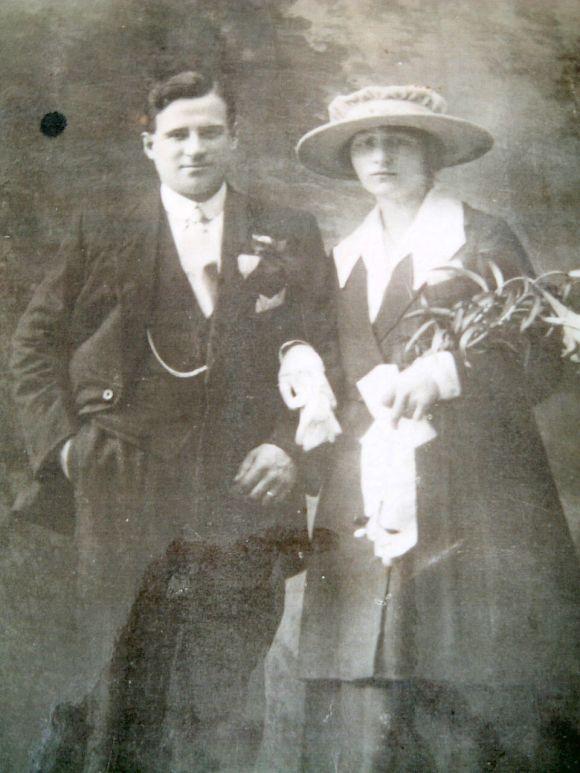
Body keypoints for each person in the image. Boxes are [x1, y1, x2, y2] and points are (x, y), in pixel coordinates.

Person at [10, 69, 337, 770]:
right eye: (178, 135)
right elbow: (33, 346)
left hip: (245, 489)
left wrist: (289, 450)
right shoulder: (104, 230)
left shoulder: (289, 233)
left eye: (210, 132)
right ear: (148, 146)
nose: (195, 148)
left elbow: (326, 355)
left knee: (223, 687)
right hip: (122, 484)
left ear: (235, 139)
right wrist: (66, 447)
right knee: (116, 684)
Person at [292, 85, 580, 770]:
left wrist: (446, 373)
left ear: (432, 154)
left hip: (472, 495)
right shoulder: (342, 258)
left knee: (467, 687)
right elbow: (326, 364)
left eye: (399, 140)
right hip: (364, 493)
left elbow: (538, 361)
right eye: (366, 142)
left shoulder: (481, 238)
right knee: (364, 702)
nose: (381, 155)